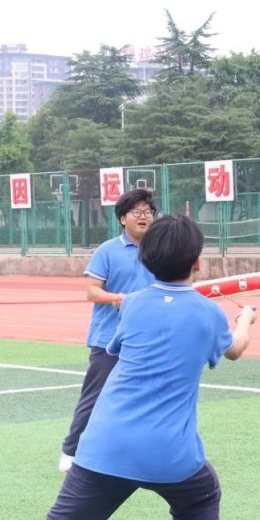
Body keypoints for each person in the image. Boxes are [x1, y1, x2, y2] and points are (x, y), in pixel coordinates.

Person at [0, 214, 257, 520]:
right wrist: (246, 319)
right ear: (198, 262)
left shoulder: (135, 304)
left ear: (146, 259)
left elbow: (121, 346)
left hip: (102, 446)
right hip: (170, 455)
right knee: (201, 499)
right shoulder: (208, 314)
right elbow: (234, 349)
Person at [57, 188, 156, 473]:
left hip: (146, 339)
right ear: (123, 218)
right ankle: (71, 450)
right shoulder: (107, 250)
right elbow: (91, 291)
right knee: (96, 396)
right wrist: (116, 298)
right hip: (108, 339)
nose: (144, 217)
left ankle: (135, 450)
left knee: (145, 396)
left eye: (148, 212)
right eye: (137, 212)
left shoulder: (158, 251)